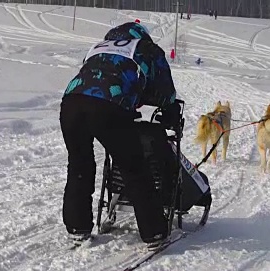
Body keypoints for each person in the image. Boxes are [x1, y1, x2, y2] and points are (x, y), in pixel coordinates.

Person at [59, 22, 180, 249]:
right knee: (133, 167)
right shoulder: (146, 49)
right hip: (109, 106)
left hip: (71, 103)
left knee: (79, 165)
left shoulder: (100, 46)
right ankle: (154, 232)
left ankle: (78, 227)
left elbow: (95, 75)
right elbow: (165, 91)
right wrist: (168, 111)